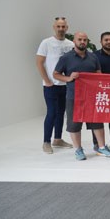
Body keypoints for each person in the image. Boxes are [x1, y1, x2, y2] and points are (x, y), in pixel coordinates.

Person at [53, 32, 110, 160]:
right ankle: (78, 150)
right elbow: (56, 74)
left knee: (97, 121)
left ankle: (101, 147)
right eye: (80, 39)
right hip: (74, 96)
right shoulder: (66, 57)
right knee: (74, 123)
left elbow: (98, 73)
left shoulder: (93, 57)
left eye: (85, 40)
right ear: (74, 41)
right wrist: (69, 78)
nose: (82, 42)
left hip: (92, 96)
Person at [36, 17, 74, 154]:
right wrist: (47, 80)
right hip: (51, 85)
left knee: (61, 113)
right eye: (58, 26)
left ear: (67, 28)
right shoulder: (46, 43)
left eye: (63, 26)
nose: (61, 29)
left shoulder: (70, 44)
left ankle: (57, 139)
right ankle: (46, 141)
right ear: (54, 27)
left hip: (65, 84)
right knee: (51, 112)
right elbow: (39, 62)